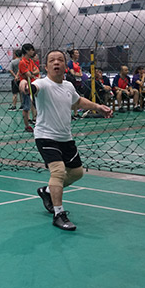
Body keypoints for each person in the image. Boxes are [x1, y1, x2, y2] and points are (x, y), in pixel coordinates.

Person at [27, 49, 112, 231]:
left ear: (65, 65)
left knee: (77, 173)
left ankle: (47, 191)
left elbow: (78, 101)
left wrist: (98, 107)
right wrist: (25, 86)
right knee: (58, 172)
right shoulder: (42, 83)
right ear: (46, 66)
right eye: (52, 60)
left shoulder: (68, 86)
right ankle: (59, 214)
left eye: (60, 60)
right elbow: (31, 88)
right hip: (46, 136)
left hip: (65, 138)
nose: (56, 62)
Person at [18, 44, 39, 131]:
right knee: (26, 107)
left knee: (37, 105)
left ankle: (37, 122)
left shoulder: (30, 61)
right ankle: (27, 126)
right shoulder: (22, 62)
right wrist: (33, 74)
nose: (33, 52)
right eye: (31, 50)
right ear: (27, 51)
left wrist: (32, 73)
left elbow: (37, 70)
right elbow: (28, 75)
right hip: (26, 87)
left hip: (33, 86)